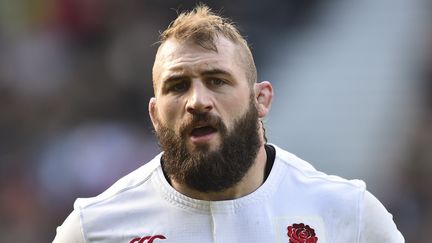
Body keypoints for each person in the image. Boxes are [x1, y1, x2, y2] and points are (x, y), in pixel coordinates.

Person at [53, 5, 404, 243]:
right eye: (178, 86)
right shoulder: (93, 228)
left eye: (217, 80)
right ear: (155, 114)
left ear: (260, 99)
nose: (197, 101)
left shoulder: (351, 216)